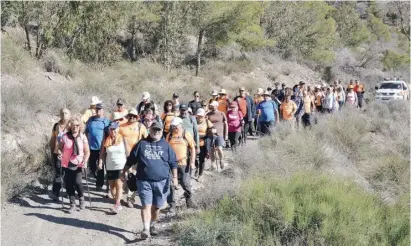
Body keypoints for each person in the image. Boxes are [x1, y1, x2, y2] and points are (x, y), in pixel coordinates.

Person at [121, 122, 178, 239]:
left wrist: (175, 178)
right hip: (143, 181)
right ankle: (146, 229)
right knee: (146, 205)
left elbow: (173, 163)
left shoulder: (166, 146)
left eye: (158, 130)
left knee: (157, 206)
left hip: (162, 182)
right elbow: (131, 159)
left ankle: (152, 224)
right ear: (149, 130)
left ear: (162, 131)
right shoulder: (142, 144)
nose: (156, 132)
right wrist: (123, 171)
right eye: (154, 130)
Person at [59, 117, 90, 213]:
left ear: (80, 126)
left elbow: (87, 151)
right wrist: (60, 154)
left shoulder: (82, 137)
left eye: (77, 125)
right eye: (73, 125)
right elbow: (59, 148)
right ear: (70, 126)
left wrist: (85, 160)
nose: (75, 127)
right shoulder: (65, 137)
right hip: (66, 163)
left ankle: (81, 198)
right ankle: (72, 204)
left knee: (77, 182)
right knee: (68, 184)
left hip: (79, 163)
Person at [119, 108, 148, 207]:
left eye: (134, 116)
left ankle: (130, 199)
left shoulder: (141, 126)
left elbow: (147, 139)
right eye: (130, 115)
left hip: (136, 156)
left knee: (133, 177)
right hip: (123, 155)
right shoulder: (121, 126)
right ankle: (126, 193)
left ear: (137, 117)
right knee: (125, 176)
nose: (132, 117)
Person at [166, 117, 196, 210]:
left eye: (176, 126)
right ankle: (172, 205)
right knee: (170, 184)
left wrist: (192, 162)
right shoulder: (169, 135)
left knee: (185, 183)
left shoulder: (185, 134)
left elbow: (192, 148)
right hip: (171, 164)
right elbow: (165, 148)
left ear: (180, 125)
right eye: (173, 126)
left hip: (184, 163)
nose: (174, 128)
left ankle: (189, 200)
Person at [98, 122, 126, 214]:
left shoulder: (123, 139)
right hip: (110, 166)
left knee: (118, 184)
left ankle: (118, 204)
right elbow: (102, 153)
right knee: (112, 187)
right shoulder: (106, 140)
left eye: (115, 129)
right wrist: (100, 162)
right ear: (109, 130)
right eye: (111, 129)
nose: (113, 130)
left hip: (121, 165)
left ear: (118, 129)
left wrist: (128, 166)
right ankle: (117, 201)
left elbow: (128, 153)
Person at [85, 103, 111, 191]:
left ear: (103, 110)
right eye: (97, 109)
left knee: (101, 165)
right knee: (92, 166)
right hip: (91, 147)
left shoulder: (106, 121)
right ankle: (99, 178)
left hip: (102, 147)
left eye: (100, 109)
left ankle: (99, 184)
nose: (98, 111)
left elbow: (109, 133)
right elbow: (86, 131)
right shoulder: (91, 120)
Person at [49, 108, 71, 201]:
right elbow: (53, 139)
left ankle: (69, 192)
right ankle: (55, 193)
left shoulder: (71, 126)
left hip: (70, 154)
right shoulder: (56, 126)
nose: (64, 115)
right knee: (58, 173)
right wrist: (52, 151)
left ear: (69, 115)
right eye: (62, 113)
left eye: (66, 113)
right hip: (58, 153)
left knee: (68, 174)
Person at [206, 101, 228, 170]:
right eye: (211, 105)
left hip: (220, 134)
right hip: (210, 134)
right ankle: (213, 164)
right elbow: (205, 123)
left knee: (219, 148)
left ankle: (221, 160)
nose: (211, 106)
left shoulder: (221, 114)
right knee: (211, 150)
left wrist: (226, 134)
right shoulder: (208, 114)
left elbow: (225, 124)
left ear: (216, 106)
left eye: (213, 105)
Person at [194, 108, 213, 182]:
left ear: (204, 115)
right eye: (199, 116)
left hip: (203, 144)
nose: (200, 117)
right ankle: (196, 167)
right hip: (194, 144)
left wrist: (211, 131)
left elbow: (213, 129)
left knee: (202, 159)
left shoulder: (207, 122)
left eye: (201, 116)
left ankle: (200, 175)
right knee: (193, 159)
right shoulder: (193, 121)